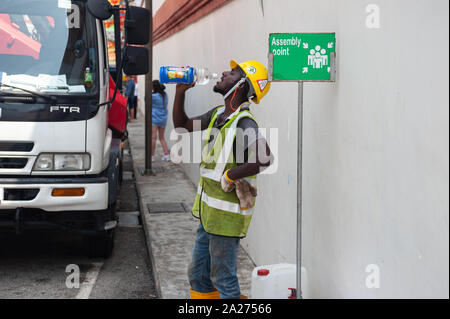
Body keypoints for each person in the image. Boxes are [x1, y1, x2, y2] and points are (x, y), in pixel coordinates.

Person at [173, 60, 274, 299]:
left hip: (226, 220)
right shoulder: (218, 115)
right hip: (209, 216)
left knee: (223, 278)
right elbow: (182, 126)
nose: (225, 72)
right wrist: (179, 94)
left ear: (240, 85)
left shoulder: (243, 122)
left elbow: (265, 157)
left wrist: (231, 174)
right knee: (198, 275)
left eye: (234, 72)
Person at [152, 80, 170, 162]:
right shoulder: (165, 94)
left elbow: (146, 100)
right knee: (162, 138)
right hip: (163, 118)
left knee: (153, 138)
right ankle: (167, 155)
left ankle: (151, 156)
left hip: (155, 118)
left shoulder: (153, 96)